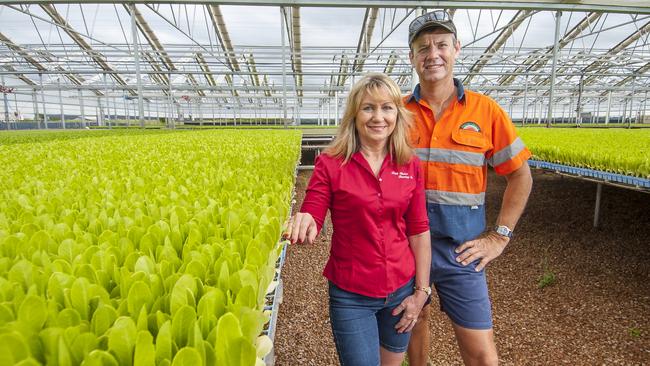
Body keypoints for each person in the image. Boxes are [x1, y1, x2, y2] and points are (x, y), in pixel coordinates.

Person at [404, 10, 534, 366]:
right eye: (423, 47)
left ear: (456, 49)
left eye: (441, 44)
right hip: (406, 249)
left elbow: (521, 175)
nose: (433, 54)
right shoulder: (397, 113)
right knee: (415, 326)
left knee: (481, 353)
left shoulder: (486, 110)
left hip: (463, 253)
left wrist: (501, 236)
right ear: (412, 57)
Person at [284, 73, 432, 366]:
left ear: (397, 115)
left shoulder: (410, 164)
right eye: (368, 108)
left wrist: (421, 292)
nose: (378, 117)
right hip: (352, 295)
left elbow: (419, 229)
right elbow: (313, 207)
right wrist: (305, 221)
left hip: (402, 288)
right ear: (354, 114)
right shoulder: (330, 163)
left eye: (387, 107)